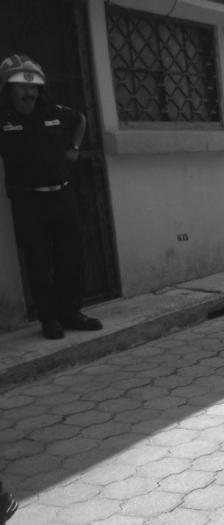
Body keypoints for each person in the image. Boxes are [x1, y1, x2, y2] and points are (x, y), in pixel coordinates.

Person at [0, 54, 101, 340]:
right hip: (27, 202)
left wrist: (74, 147)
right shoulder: (3, 118)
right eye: (21, 86)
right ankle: (49, 320)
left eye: (33, 87)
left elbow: (80, 119)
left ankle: (72, 313)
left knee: (71, 257)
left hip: (62, 196)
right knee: (38, 262)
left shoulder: (53, 112)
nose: (29, 92)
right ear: (8, 89)